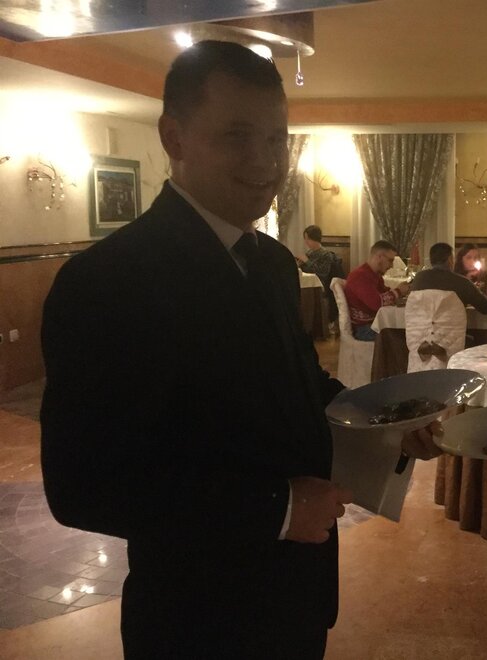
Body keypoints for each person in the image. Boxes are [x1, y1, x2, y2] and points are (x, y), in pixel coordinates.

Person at [40, 41, 441, 660]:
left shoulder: (274, 263)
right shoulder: (107, 281)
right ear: (174, 137)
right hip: (198, 617)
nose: (266, 161)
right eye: (237, 135)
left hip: (298, 596)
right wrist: (278, 509)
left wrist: (391, 427)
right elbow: (82, 485)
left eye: (277, 139)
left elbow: (303, 390)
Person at [345, 240, 410, 340]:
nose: (392, 265)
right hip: (363, 329)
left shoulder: (374, 274)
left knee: (410, 331)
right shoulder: (359, 276)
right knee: (406, 337)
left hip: (374, 324)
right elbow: (377, 303)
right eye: (390, 260)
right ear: (379, 257)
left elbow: (385, 293)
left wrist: (401, 292)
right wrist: (398, 291)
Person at [409, 242, 487, 314]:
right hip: (453, 329)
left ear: (431, 260)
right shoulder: (462, 282)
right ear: (450, 259)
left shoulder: (418, 279)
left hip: (420, 328)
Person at [297, 224, 345, 323]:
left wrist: (307, 261)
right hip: (309, 283)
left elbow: (323, 273)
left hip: (321, 285)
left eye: (307, 239)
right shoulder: (309, 253)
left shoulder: (326, 254)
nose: (306, 241)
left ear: (314, 238)